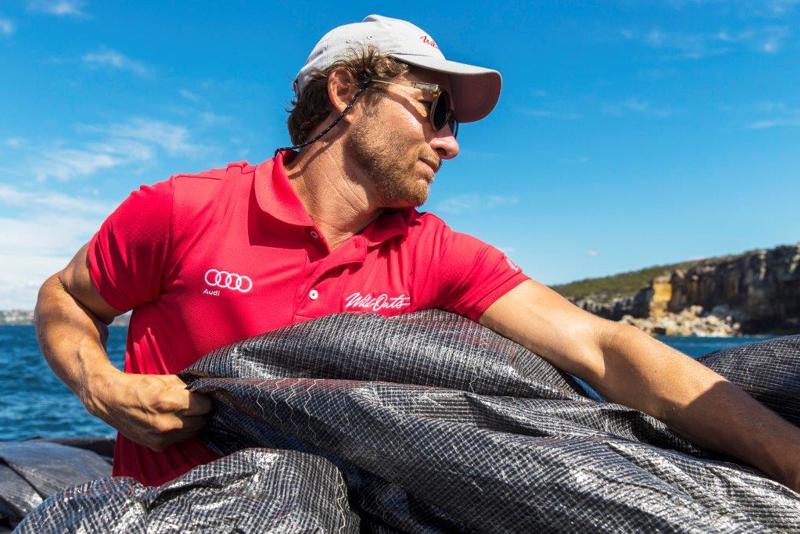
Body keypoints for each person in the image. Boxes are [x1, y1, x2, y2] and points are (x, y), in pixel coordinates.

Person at [36, 14, 800, 491]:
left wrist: (786, 456)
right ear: (345, 92)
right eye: (434, 110)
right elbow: (66, 299)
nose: (449, 144)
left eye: (457, 127)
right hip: (168, 508)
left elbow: (601, 347)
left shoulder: (433, 253)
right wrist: (101, 386)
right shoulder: (183, 209)